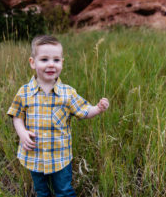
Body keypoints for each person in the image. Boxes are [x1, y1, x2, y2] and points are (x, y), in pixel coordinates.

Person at [7, 35, 109, 197]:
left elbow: (84, 112)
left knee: (64, 190)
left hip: (60, 156)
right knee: (42, 191)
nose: (50, 64)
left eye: (56, 60)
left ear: (62, 62)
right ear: (33, 63)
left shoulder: (67, 93)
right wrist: (22, 133)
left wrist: (97, 108)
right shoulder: (24, 92)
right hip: (35, 155)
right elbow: (17, 115)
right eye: (44, 59)